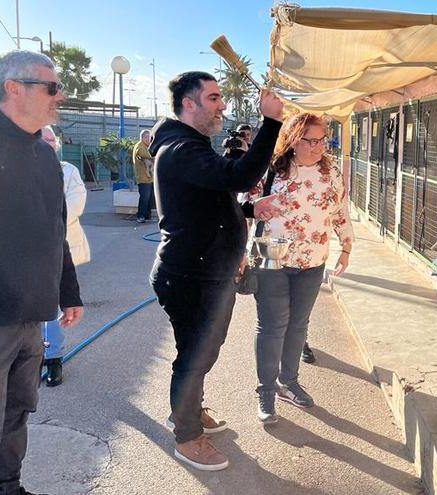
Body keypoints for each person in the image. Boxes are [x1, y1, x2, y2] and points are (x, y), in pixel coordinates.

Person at [148, 71, 283, 472]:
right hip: (192, 276)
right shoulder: (180, 149)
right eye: (214, 97)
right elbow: (239, 175)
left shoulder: (191, 146)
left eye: (220, 97)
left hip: (207, 273)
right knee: (194, 356)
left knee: (201, 353)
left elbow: (203, 201)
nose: (222, 104)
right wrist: (271, 122)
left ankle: (187, 411)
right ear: (188, 104)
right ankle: (187, 435)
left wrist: (246, 210)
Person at [0, 50, 84, 495]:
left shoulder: (43, 153)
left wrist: (68, 290)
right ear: (13, 88)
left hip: (29, 314)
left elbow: (54, 228)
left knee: (18, 412)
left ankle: (7, 488)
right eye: (52, 87)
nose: (60, 96)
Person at [250, 112, 354, 424]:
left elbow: (339, 211)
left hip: (313, 256)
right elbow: (245, 207)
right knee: (271, 326)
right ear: (294, 140)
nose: (319, 146)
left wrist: (346, 246)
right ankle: (266, 392)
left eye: (323, 139)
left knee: (298, 325)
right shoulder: (270, 168)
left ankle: (289, 381)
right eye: (311, 140)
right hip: (271, 252)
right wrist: (240, 251)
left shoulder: (331, 171)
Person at [39, 126, 91, 387]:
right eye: (43, 138)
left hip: (59, 247)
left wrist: (46, 225)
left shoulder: (68, 170)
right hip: (32, 252)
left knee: (54, 305)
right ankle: (35, 353)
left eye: (52, 139)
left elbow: (74, 204)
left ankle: (53, 358)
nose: (49, 143)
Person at [133, 129, 154, 223]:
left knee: (150, 198)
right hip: (143, 178)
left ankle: (147, 215)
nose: (150, 139)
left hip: (149, 178)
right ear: (144, 137)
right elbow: (144, 155)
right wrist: (156, 157)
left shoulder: (146, 146)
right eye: (149, 137)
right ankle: (140, 216)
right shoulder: (140, 147)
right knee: (144, 198)